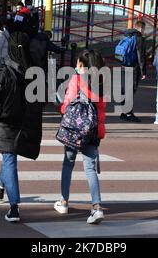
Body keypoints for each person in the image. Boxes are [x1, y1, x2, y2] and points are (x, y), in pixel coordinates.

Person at [0, 31, 43, 223]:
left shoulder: (2, 66)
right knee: (9, 157)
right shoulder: (34, 67)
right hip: (25, 120)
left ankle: (14, 207)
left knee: (9, 158)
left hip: (6, 119)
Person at [54, 49, 106, 225]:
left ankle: (64, 202)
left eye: (78, 63)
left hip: (74, 130)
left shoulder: (76, 80)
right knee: (90, 169)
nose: (76, 66)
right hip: (92, 131)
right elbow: (102, 108)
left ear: (82, 65)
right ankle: (96, 207)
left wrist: (62, 109)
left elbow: (67, 103)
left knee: (68, 163)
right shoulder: (101, 80)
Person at [119, 20, 147, 123]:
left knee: (126, 90)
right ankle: (128, 113)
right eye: (144, 29)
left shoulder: (127, 35)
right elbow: (141, 55)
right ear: (141, 28)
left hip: (124, 65)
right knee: (130, 90)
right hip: (134, 67)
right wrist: (143, 71)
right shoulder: (138, 38)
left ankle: (124, 112)